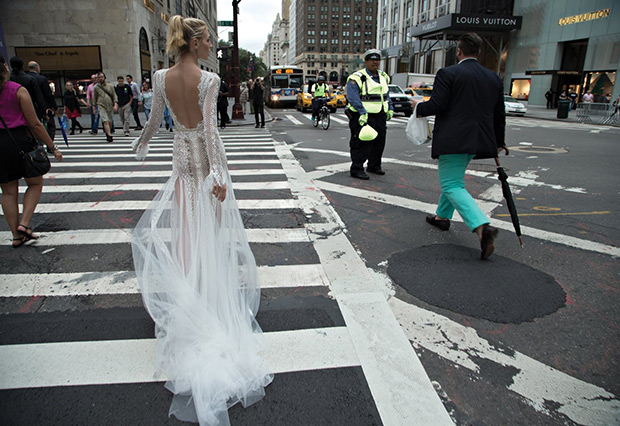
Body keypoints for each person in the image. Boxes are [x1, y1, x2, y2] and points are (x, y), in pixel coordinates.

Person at [130, 15, 273, 425]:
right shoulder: (207, 81)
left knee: (188, 236)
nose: (212, 45)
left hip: (181, 166)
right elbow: (210, 132)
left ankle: (192, 299)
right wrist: (220, 176)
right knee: (207, 236)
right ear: (194, 44)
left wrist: (140, 144)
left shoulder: (159, 77)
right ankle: (207, 306)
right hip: (204, 167)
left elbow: (156, 120)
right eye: (208, 40)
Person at [411, 33, 507, 260]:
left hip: (453, 138)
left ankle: (482, 227)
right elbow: (498, 113)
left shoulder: (448, 73)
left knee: (452, 183)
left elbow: (438, 104)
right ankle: (442, 217)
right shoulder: (493, 78)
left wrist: (418, 107)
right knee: (453, 178)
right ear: (479, 52)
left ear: (459, 51)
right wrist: (499, 141)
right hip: (477, 140)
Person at [0, 55, 62, 248]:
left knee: (8, 192)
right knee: (35, 182)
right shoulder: (17, 90)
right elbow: (34, 123)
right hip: (19, 141)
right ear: (5, 68)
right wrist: (52, 146)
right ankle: (25, 224)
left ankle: (16, 236)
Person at [345, 48, 394, 180]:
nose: (375, 62)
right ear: (365, 61)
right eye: (372, 60)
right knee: (361, 143)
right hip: (363, 116)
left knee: (379, 142)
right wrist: (362, 112)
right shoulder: (357, 77)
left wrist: (390, 108)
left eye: (377, 60)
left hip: (380, 115)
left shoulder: (383, 77)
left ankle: (374, 165)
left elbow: (386, 95)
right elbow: (353, 97)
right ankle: (357, 168)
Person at [27, 61, 58, 144]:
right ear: (37, 68)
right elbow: (48, 95)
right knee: (50, 126)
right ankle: (49, 145)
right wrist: (55, 107)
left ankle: (37, 144)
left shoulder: (25, 78)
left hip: (29, 107)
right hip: (44, 107)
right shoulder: (42, 79)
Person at [93, 72, 118, 142]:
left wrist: (115, 104)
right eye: (99, 77)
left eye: (102, 77)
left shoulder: (110, 86)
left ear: (104, 77)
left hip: (109, 105)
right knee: (105, 121)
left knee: (110, 121)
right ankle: (109, 135)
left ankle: (108, 131)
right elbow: (94, 98)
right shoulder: (96, 87)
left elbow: (114, 95)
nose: (101, 78)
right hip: (101, 105)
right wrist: (94, 107)